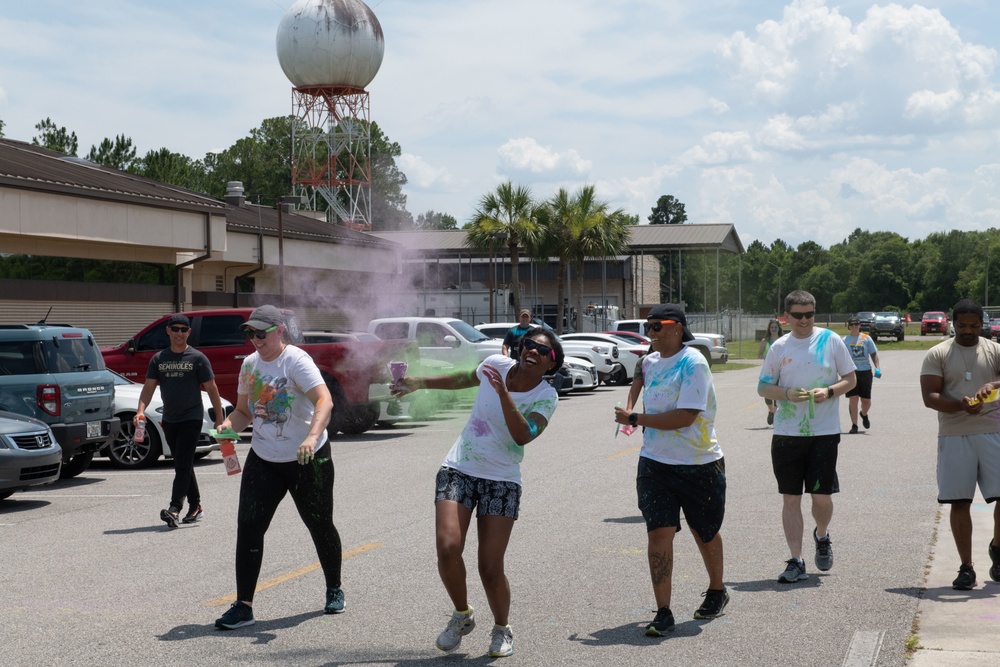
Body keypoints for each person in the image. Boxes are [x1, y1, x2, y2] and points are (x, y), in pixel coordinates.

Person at [392, 329, 563, 657]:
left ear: (551, 364)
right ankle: (461, 615)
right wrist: (420, 382)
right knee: (447, 546)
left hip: (502, 480)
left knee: (489, 566)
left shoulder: (546, 396)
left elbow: (523, 436)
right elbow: (462, 379)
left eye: (542, 351)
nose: (532, 351)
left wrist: (504, 395)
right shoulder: (495, 363)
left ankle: (502, 627)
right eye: (528, 344)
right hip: (459, 466)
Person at [213, 305, 338, 630]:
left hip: (308, 457)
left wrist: (311, 437)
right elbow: (243, 411)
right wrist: (228, 427)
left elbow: (324, 400)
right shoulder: (250, 366)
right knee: (249, 527)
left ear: (279, 330)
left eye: (261, 333)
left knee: (320, 523)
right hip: (265, 457)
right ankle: (244, 606)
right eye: (250, 334)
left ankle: (334, 588)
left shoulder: (296, 360)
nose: (255, 340)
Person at [614, 304, 728, 636]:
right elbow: (638, 378)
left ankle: (718, 589)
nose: (650, 332)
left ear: (677, 327)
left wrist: (635, 419)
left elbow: (685, 417)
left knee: (703, 532)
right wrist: (632, 407)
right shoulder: (649, 362)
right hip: (655, 463)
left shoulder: (694, 362)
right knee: (658, 534)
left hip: (699, 463)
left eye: (656, 326)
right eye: (647, 326)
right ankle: (663, 611)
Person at [757, 291, 856, 584]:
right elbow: (763, 387)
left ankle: (822, 535)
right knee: (791, 498)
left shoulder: (831, 340)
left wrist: (829, 391)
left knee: (821, 497)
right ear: (785, 317)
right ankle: (796, 560)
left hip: (823, 433)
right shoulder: (778, 347)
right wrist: (786, 394)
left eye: (809, 314)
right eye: (797, 315)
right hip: (787, 433)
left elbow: (850, 379)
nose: (804, 320)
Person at [919, 299, 1000, 590]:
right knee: (959, 502)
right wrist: (960, 406)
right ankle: (966, 567)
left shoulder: (994, 351)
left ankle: (997, 548)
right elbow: (930, 397)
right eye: (963, 325)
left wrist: (994, 385)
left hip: (993, 432)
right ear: (953, 323)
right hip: (954, 435)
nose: (968, 330)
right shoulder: (938, 353)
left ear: (982, 325)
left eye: (974, 326)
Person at [137, 314, 225, 529]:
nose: (179, 333)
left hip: (192, 418)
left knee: (182, 465)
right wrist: (140, 411)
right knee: (182, 464)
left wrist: (220, 420)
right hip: (169, 420)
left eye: (183, 330)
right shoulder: (159, 359)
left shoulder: (198, 358)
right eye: (175, 329)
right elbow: (148, 388)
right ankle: (196, 507)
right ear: (168, 331)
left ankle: (175, 509)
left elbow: (212, 388)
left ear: (188, 332)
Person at [843, 317, 881, 434]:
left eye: (856, 324)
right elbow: (840, 357)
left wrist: (877, 368)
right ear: (848, 326)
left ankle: (863, 414)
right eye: (852, 324)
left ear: (860, 326)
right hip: (851, 372)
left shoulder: (866, 338)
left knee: (866, 401)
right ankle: (854, 425)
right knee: (853, 398)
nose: (854, 326)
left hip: (865, 372)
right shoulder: (845, 340)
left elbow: (874, 354)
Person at [758, 318, 785, 426]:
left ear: (779, 328)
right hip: (768, 370)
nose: (774, 329)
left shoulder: (783, 340)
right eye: (772, 327)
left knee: (778, 391)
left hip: (781, 369)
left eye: (775, 327)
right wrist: (766, 356)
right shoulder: (765, 341)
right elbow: (759, 354)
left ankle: (776, 413)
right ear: (769, 329)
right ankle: (771, 410)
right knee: (767, 393)